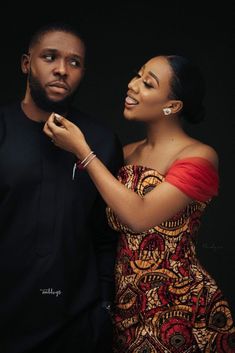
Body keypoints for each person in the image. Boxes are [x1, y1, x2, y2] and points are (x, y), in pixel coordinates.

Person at [43, 54, 235, 352]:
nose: (132, 85)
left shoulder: (199, 157)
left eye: (147, 84)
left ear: (172, 106)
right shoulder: (126, 153)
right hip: (127, 307)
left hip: (180, 306)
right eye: (137, 76)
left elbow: (138, 216)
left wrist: (83, 151)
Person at [0, 22, 124, 353]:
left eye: (74, 62)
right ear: (27, 64)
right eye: (50, 57)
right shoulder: (3, 128)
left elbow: (107, 234)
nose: (61, 70)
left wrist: (103, 309)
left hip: (76, 326)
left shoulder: (100, 141)